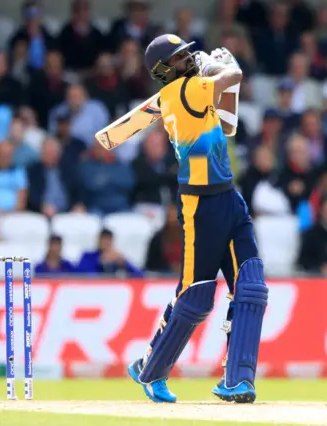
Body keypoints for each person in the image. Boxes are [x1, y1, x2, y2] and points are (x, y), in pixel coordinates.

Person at [126, 34, 268, 404]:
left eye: (188, 53)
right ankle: (150, 369)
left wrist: (219, 70)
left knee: (251, 288)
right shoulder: (181, 92)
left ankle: (238, 380)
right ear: (162, 71)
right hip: (199, 206)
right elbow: (233, 76)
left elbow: (227, 126)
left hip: (228, 197)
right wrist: (221, 63)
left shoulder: (196, 90)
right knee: (196, 298)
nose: (188, 58)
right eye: (179, 57)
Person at [76, 229, 143, 276]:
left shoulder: (116, 258)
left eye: (109, 240)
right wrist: (100, 262)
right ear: (98, 240)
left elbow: (140, 275)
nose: (106, 243)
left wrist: (124, 263)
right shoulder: (88, 256)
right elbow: (80, 275)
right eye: (104, 239)